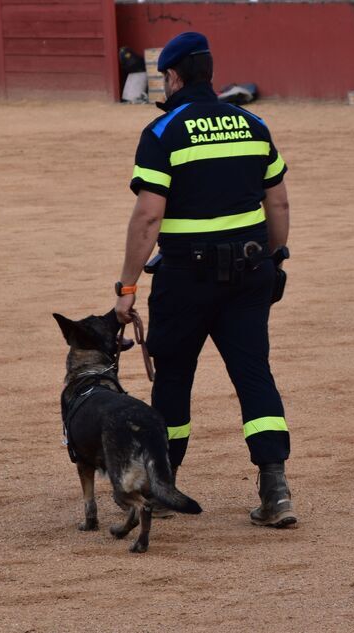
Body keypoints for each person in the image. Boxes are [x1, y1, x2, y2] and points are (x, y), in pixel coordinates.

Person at [113, 32, 296, 528]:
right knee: (254, 373)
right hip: (251, 271)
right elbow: (276, 202)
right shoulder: (253, 123)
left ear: (173, 77)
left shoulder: (163, 131)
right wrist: (275, 261)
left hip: (186, 278)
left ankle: (161, 484)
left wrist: (127, 287)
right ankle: (275, 489)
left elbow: (148, 217)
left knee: (173, 378)